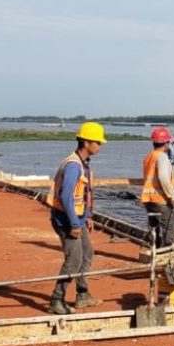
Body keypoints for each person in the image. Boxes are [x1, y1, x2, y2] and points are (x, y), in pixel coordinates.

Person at [45, 122, 107, 314]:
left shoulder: (82, 164)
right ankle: (56, 299)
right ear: (87, 143)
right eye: (97, 142)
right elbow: (66, 196)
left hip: (77, 218)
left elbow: (83, 192)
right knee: (73, 260)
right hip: (66, 220)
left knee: (87, 253)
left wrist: (87, 215)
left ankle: (82, 294)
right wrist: (73, 224)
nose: (100, 146)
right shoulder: (73, 165)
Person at [141, 127, 174, 246]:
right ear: (166, 143)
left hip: (149, 199)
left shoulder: (149, 156)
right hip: (160, 199)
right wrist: (173, 196)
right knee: (169, 225)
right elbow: (163, 178)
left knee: (155, 229)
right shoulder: (162, 157)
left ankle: (156, 252)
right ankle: (167, 251)